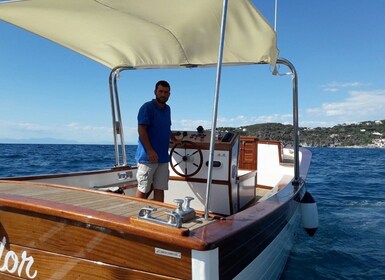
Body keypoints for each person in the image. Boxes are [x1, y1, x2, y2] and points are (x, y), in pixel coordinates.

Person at [135, 80, 178, 202]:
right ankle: (136, 214)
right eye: (161, 91)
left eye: (166, 92)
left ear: (169, 94)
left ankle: (158, 216)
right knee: (143, 188)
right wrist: (149, 150)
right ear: (155, 92)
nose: (163, 94)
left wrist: (175, 140)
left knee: (160, 188)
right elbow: (141, 129)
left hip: (163, 157)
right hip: (147, 157)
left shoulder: (167, 109)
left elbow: (166, 128)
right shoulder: (147, 107)